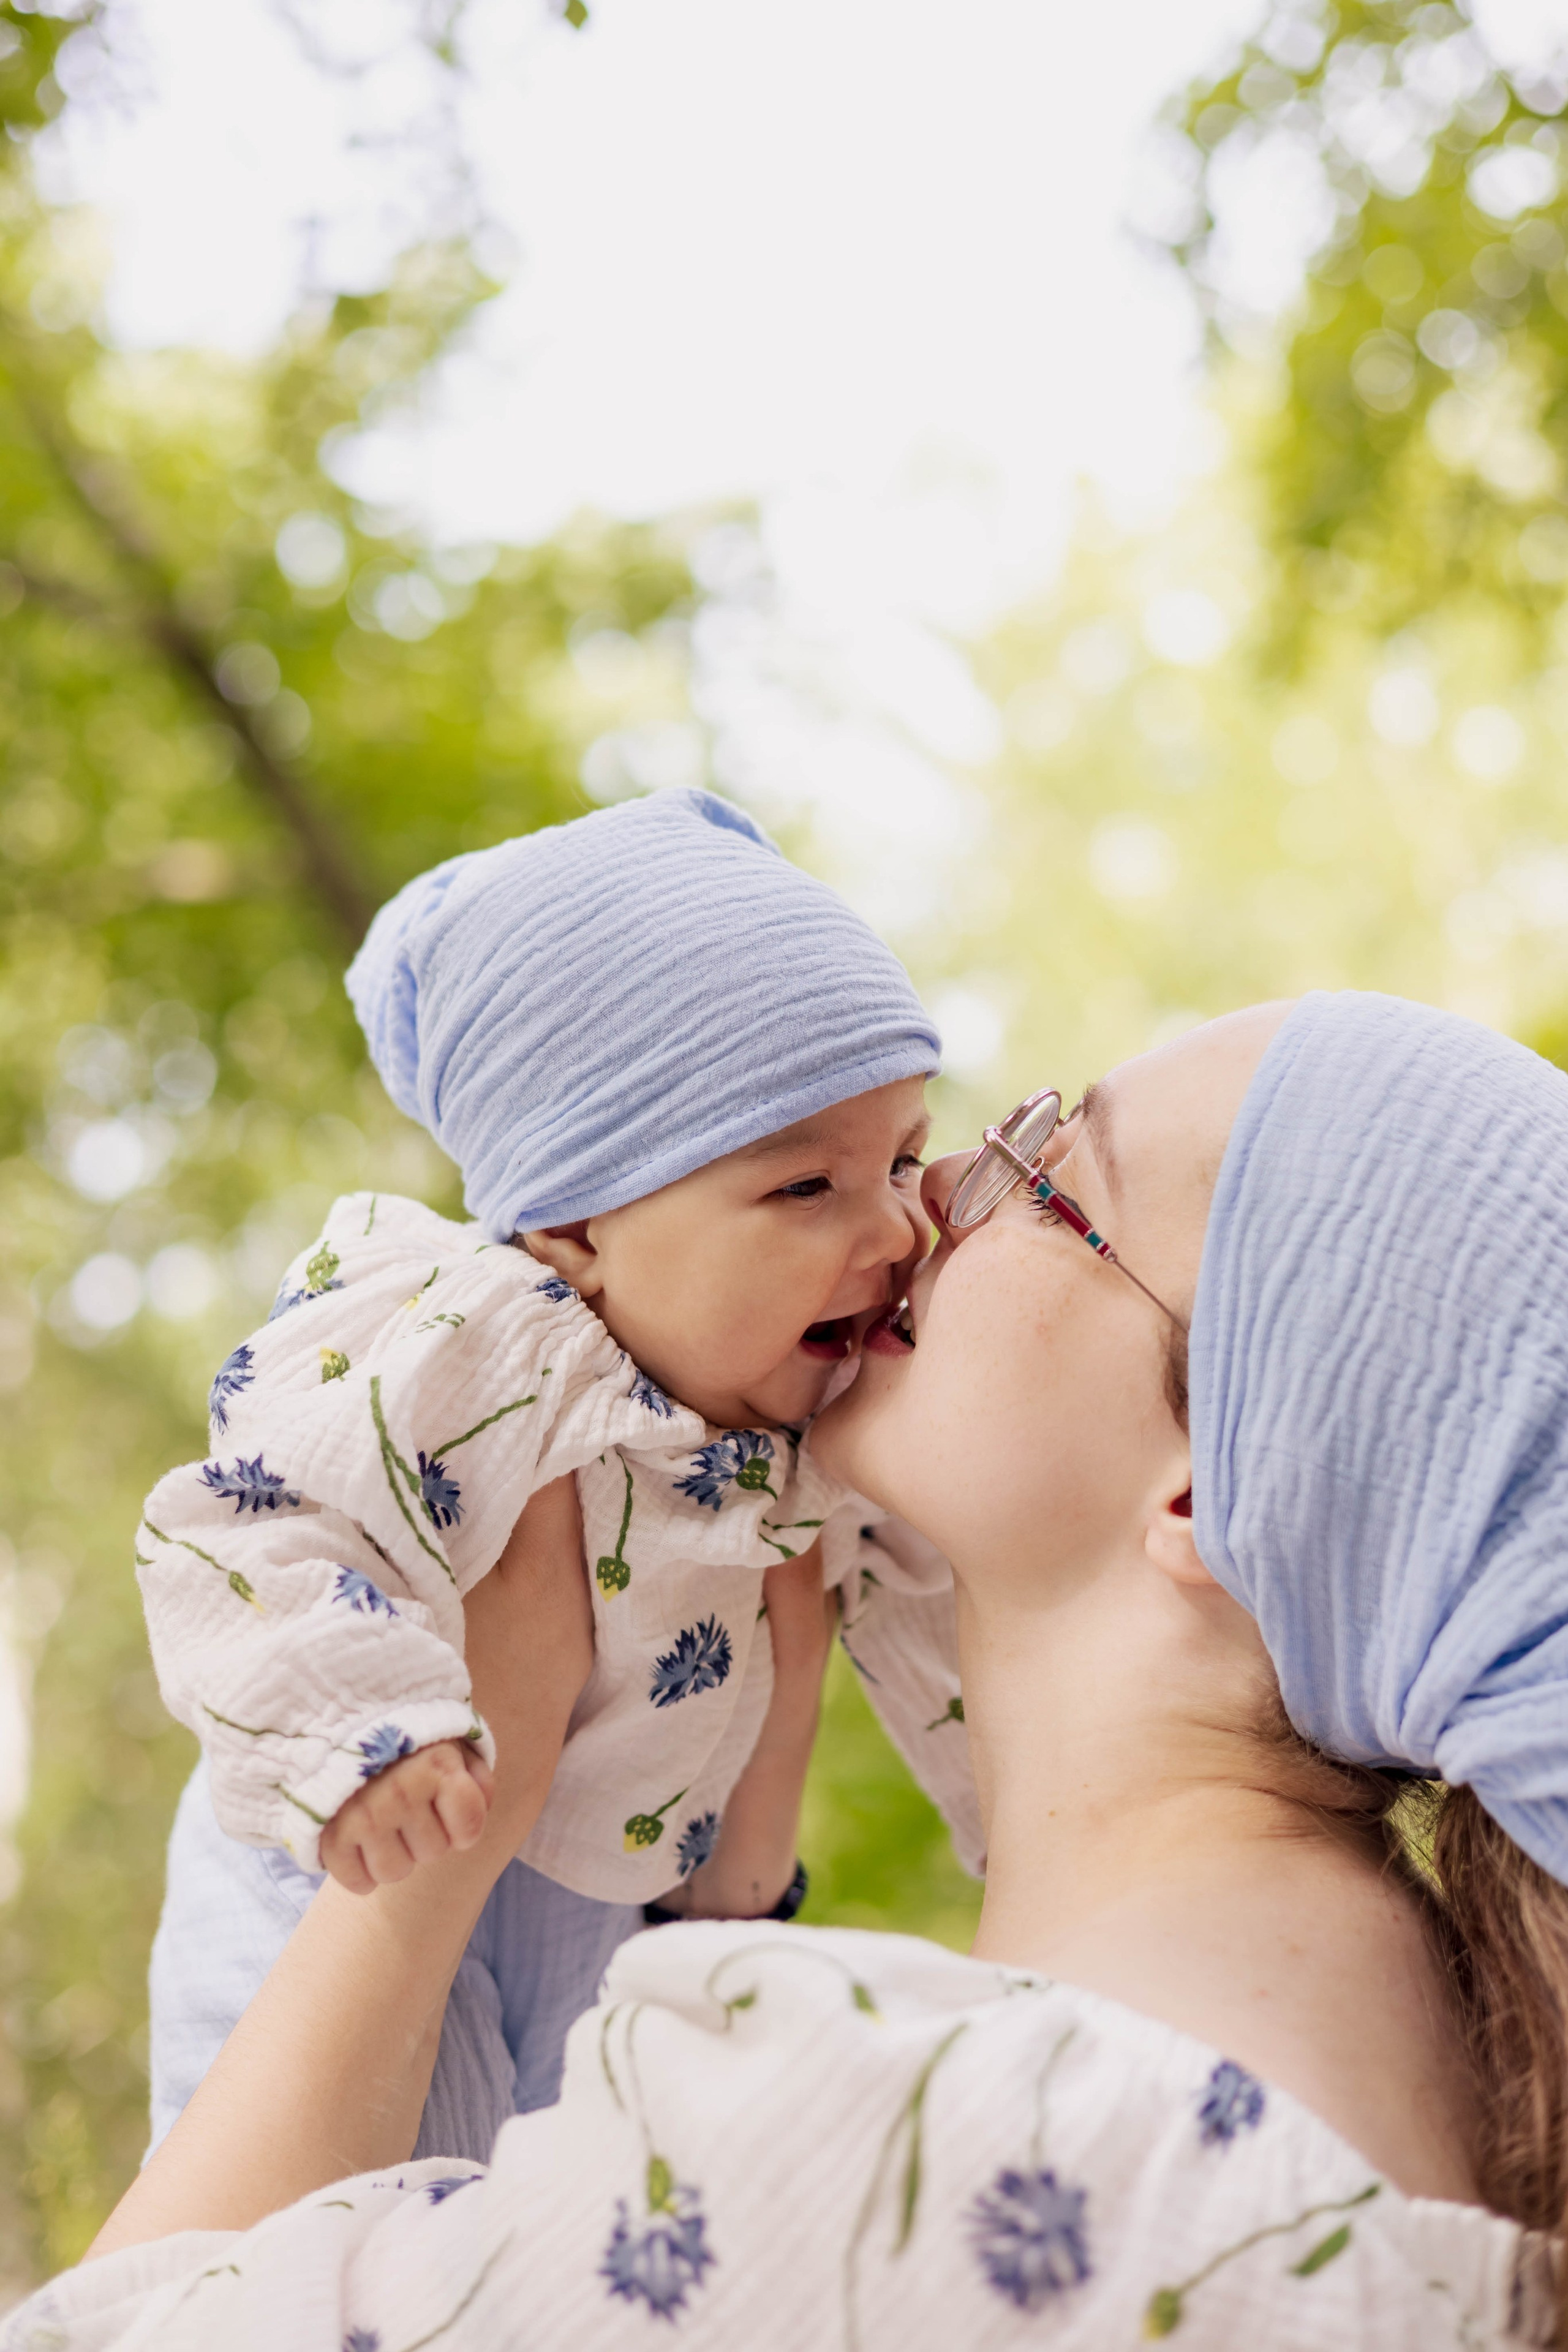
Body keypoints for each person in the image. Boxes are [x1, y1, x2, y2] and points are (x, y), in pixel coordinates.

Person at [13, 987, 1567, 2350]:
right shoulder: (1437, 2074)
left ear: (1206, 1504)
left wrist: (461, 1823)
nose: (938, 1193)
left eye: (1050, 1173)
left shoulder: (939, 2145)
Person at [135, 785, 979, 2166]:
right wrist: (362, 1738)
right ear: (577, 1225)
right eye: (804, 1188)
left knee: (542, 2249)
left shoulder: (822, 1423)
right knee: (316, 2245)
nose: (893, 1225)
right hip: (352, 1846)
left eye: (901, 1155)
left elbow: (945, 1621)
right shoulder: (457, 1337)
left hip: (611, 1910)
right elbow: (242, 1528)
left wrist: (1005, 1818)